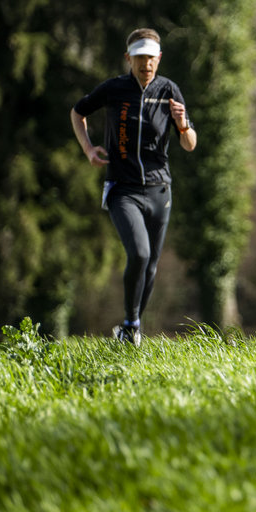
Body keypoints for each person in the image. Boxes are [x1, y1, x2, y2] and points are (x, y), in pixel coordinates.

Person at [69, 28, 197, 346]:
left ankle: (133, 326)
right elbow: (78, 112)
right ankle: (129, 324)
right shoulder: (114, 89)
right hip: (122, 188)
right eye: (139, 57)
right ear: (129, 58)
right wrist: (88, 149)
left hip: (159, 189)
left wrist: (182, 125)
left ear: (159, 58)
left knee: (151, 265)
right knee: (138, 253)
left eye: (151, 57)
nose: (146, 64)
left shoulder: (169, 90)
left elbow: (190, 144)